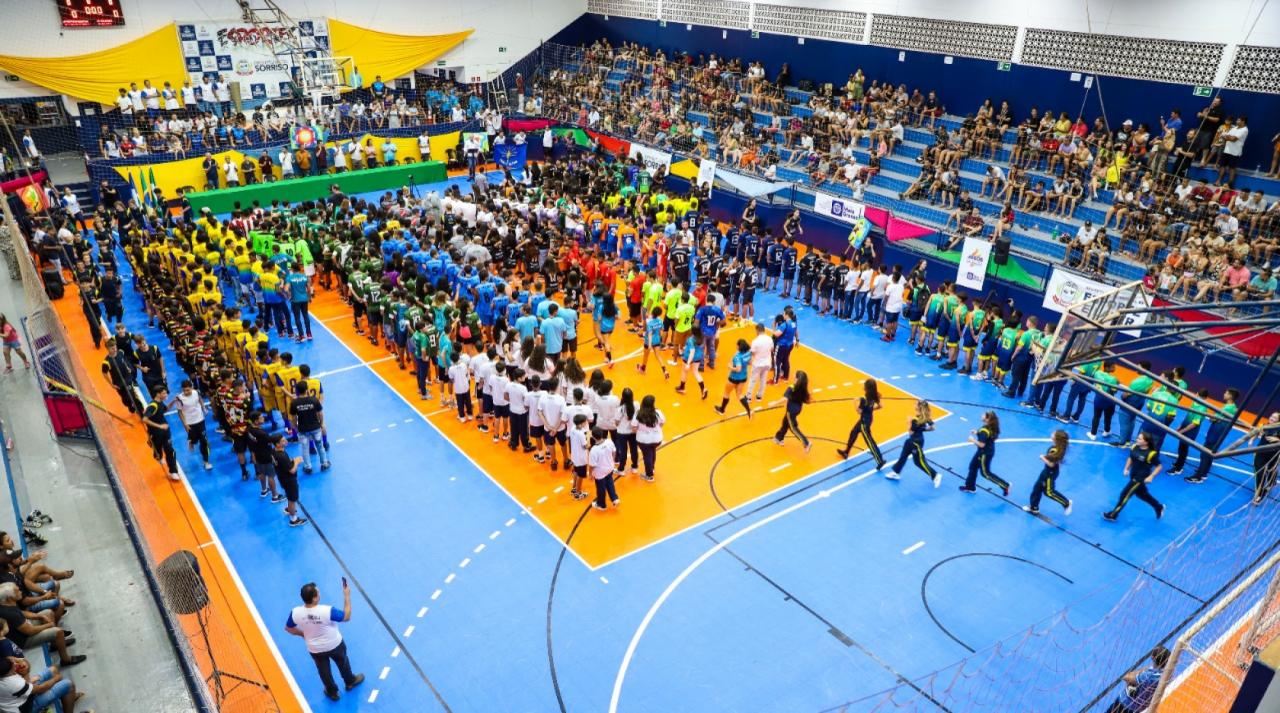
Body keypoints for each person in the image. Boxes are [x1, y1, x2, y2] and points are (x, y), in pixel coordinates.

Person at [285, 580, 364, 702]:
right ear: (315, 598)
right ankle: (350, 681)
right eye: (318, 593)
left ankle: (332, 692)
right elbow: (347, 616)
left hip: (315, 649)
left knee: (323, 671)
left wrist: (303, 634)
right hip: (335, 645)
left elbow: (288, 628)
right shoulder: (327, 611)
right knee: (343, 662)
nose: (319, 593)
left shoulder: (295, 612)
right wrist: (347, 595)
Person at [0, 649, 89, 713]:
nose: (16, 664)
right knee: (69, 684)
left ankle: (68, 698)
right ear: (9, 672)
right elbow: (41, 688)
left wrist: (18, 661)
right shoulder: (13, 683)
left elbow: (10, 660)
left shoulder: (4, 671)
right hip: (26, 708)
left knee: (53, 670)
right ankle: (68, 696)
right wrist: (56, 679)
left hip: (21, 694)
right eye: (13, 666)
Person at [1103, 431, 1165, 521]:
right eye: (1137, 438)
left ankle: (1113, 515)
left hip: (1140, 478)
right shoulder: (1134, 447)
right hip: (1133, 475)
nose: (1137, 440)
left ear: (1146, 442)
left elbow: (1159, 466)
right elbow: (1130, 457)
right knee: (1142, 494)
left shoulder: (1151, 454)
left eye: (1139, 439)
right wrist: (1126, 468)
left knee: (1124, 494)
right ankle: (1158, 507)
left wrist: (1151, 476)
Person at [886, 399, 938, 486]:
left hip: (915, 442)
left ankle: (935, 475)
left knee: (918, 462)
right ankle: (896, 472)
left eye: (916, 404)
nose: (914, 405)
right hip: (912, 441)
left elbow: (911, 432)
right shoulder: (924, 417)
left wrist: (908, 423)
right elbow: (933, 427)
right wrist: (922, 429)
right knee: (903, 457)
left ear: (918, 407)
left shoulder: (914, 419)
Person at [1106, 646, 1170, 713]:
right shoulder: (1166, 674)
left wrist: (1139, 673)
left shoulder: (1148, 676)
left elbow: (1126, 677)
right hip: (1139, 709)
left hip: (1125, 704)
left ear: (1152, 658)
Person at [836, 378, 884, 467]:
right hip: (869, 418)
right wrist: (871, 409)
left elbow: (859, 412)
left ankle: (880, 460)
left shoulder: (864, 399)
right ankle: (846, 452)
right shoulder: (875, 395)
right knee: (853, 432)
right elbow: (881, 406)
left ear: (866, 388)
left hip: (864, 423)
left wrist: (854, 402)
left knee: (869, 441)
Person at [960, 411, 1009, 496]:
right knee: (973, 466)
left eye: (983, 415)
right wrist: (977, 432)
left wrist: (972, 440)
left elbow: (982, 444)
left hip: (984, 454)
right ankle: (970, 486)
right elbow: (987, 436)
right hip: (986, 451)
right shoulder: (991, 427)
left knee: (985, 473)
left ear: (987, 419)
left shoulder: (985, 430)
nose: (981, 415)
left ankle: (1005, 485)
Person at [168, 379, 213, 471]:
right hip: (190, 423)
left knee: (204, 441)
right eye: (184, 390)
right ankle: (191, 441)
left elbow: (200, 399)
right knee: (194, 439)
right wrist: (185, 424)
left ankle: (206, 461)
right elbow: (180, 412)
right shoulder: (179, 398)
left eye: (188, 390)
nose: (186, 392)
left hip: (200, 420)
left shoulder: (196, 392)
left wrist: (203, 408)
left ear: (191, 388)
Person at [1025, 430, 1072, 516]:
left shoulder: (1055, 450)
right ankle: (1034, 507)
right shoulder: (1059, 448)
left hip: (1049, 473)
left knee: (1049, 492)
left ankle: (1066, 503)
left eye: (1053, 434)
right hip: (1047, 472)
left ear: (1056, 438)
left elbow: (1051, 464)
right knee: (1037, 488)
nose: (1051, 434)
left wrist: (1042, 457)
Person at [142, 385, 180, 482]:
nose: (166, 394)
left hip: (165, 432)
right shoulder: (153, 406)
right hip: (155, 433)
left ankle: (173, 471)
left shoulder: (160, 403)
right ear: (158, 394)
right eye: (163, 393)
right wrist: (159, 426)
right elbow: (144, 419)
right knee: (158, 453)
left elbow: (165, 409)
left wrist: (173, 401)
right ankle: (156, 452)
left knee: (170, 450)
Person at [290, 381, 329, 473]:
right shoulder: (314, 400)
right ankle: (324, 463)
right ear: (307, 389)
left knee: (305, 448)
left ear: (297, 391)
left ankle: (308, 467)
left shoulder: (294, 403)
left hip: (302, 429)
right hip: (315, 428)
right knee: (320, 446)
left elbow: (293, 418)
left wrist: (295, 427)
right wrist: (322, 423)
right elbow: (320, 413)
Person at [271, 434, 308, 527]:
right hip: (289, 480)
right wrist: (296, 462)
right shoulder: (282, 456)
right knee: (292, 499)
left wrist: (291, 461)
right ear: (277, 444)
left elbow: (282, 465)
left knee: (289, 496)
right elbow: (292, 470)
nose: (286, 441)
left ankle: (289, 509)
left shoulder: (274, 452)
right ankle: (294, 520)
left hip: (282, 478)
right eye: (283, 441)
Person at [773, 370, 812, 451]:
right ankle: (779, 438)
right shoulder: (802, 387)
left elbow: (785, 398)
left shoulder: (792, 387)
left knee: (793, 427)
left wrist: (774, 403)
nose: (793, 376)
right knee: (785, 422)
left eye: (795, 376)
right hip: (798, 409)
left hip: (791, 411)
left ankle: (806, 443)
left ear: (796, 379)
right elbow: (806, 399)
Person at [713, 339, 752, 418]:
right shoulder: (748, 353)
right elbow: (750, 362)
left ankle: (722, 410)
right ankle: (749, 410)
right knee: (740, 394)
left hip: (734, 378)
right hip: (743, 377)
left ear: (738, 346)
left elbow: (738, 369)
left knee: (726, 392)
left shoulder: (737, 357)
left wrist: (730, 367)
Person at [1248, 411, 1280, 506]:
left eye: (1275, 418)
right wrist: (1251, 440)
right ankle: (1259, 494)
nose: (1272, 418)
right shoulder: (1264, 426)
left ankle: (1272, 481)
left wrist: (1278, 440)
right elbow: (1257, 432)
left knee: (1271, 471)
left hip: (1273, 455)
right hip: (1260, 453)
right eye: (1271, 416)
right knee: (1259, 473)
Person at [633, 394, 665, 482]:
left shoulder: (638, 413)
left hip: (643, 440)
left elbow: (634, 426)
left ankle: (649, 475)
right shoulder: (658, 412)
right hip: (657, 439)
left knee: (647, 455)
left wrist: (640, 432)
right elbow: (662, 423)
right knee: (652, 451)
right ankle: (652, 468)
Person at [588, 427, 620, 510]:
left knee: (601, 488)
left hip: (600, 473)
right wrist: (612, 460)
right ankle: (614, 498)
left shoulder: (594, 450)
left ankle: (601, 504)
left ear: (593, 437)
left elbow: (592, 465)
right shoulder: (609, 442)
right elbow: (614, 451)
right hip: (610, 467)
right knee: (610, 483)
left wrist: (590, 474)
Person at [747, 322, 773, 401]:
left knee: (753, 380)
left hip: (758, 363)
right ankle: (759, 396)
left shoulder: (755, 341)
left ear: (757, 330)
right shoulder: (770, 339)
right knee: (763, 379)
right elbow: (771, 349)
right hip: (767, 363)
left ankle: (748, 397)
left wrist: (749, 361)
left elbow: (752, 353)